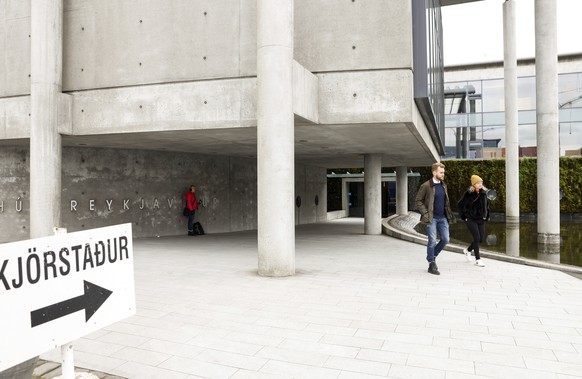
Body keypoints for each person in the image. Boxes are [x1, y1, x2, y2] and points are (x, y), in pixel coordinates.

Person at [415, 162, 454, 275]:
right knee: (432, 240)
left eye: (443, 172)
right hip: (431, 218)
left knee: (445, 239)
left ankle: (431, 256)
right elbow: (418, 200)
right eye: (441, 172)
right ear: (434, 172)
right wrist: (426, 214)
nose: (443, 174)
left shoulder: (443, 185)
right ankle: (432, 264)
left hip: (443, 218)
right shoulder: (426, 186)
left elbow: (445, 202)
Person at [457, 175, 490, 267]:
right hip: (470, 218)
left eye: (481, 183)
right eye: (478, 183)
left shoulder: (484, 193)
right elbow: (460, 205)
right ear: (474, 184)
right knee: (476, 237)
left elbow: (487, 206)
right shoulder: (468, 193)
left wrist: (486, 216)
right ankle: (478, 259)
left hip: (480, 219)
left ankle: (467, 250)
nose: (480, 184)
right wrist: (464, 216)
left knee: (480, 239)